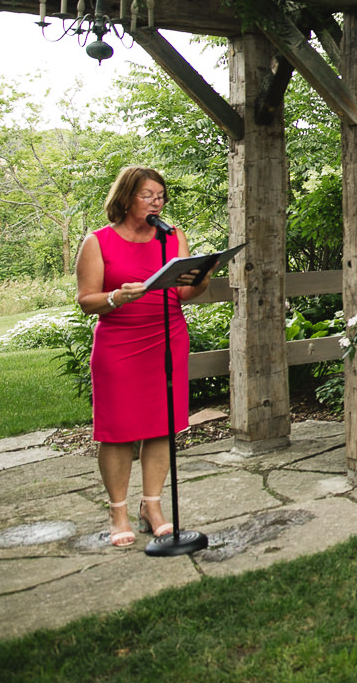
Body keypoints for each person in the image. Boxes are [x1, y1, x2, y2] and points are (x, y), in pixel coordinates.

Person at [75, 166, 210, 548]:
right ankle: (117, 511)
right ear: (126, 197)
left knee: (161, 426)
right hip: (119, 343)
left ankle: (152, 507)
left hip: (167, 338)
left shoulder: (172, 237)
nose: (157, 202)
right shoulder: (97, 242)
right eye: (148, 195)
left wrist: (201, 276)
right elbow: (86, 301)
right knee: (117, 431)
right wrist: (118, 297)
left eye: (161, 196)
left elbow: (185, 294)